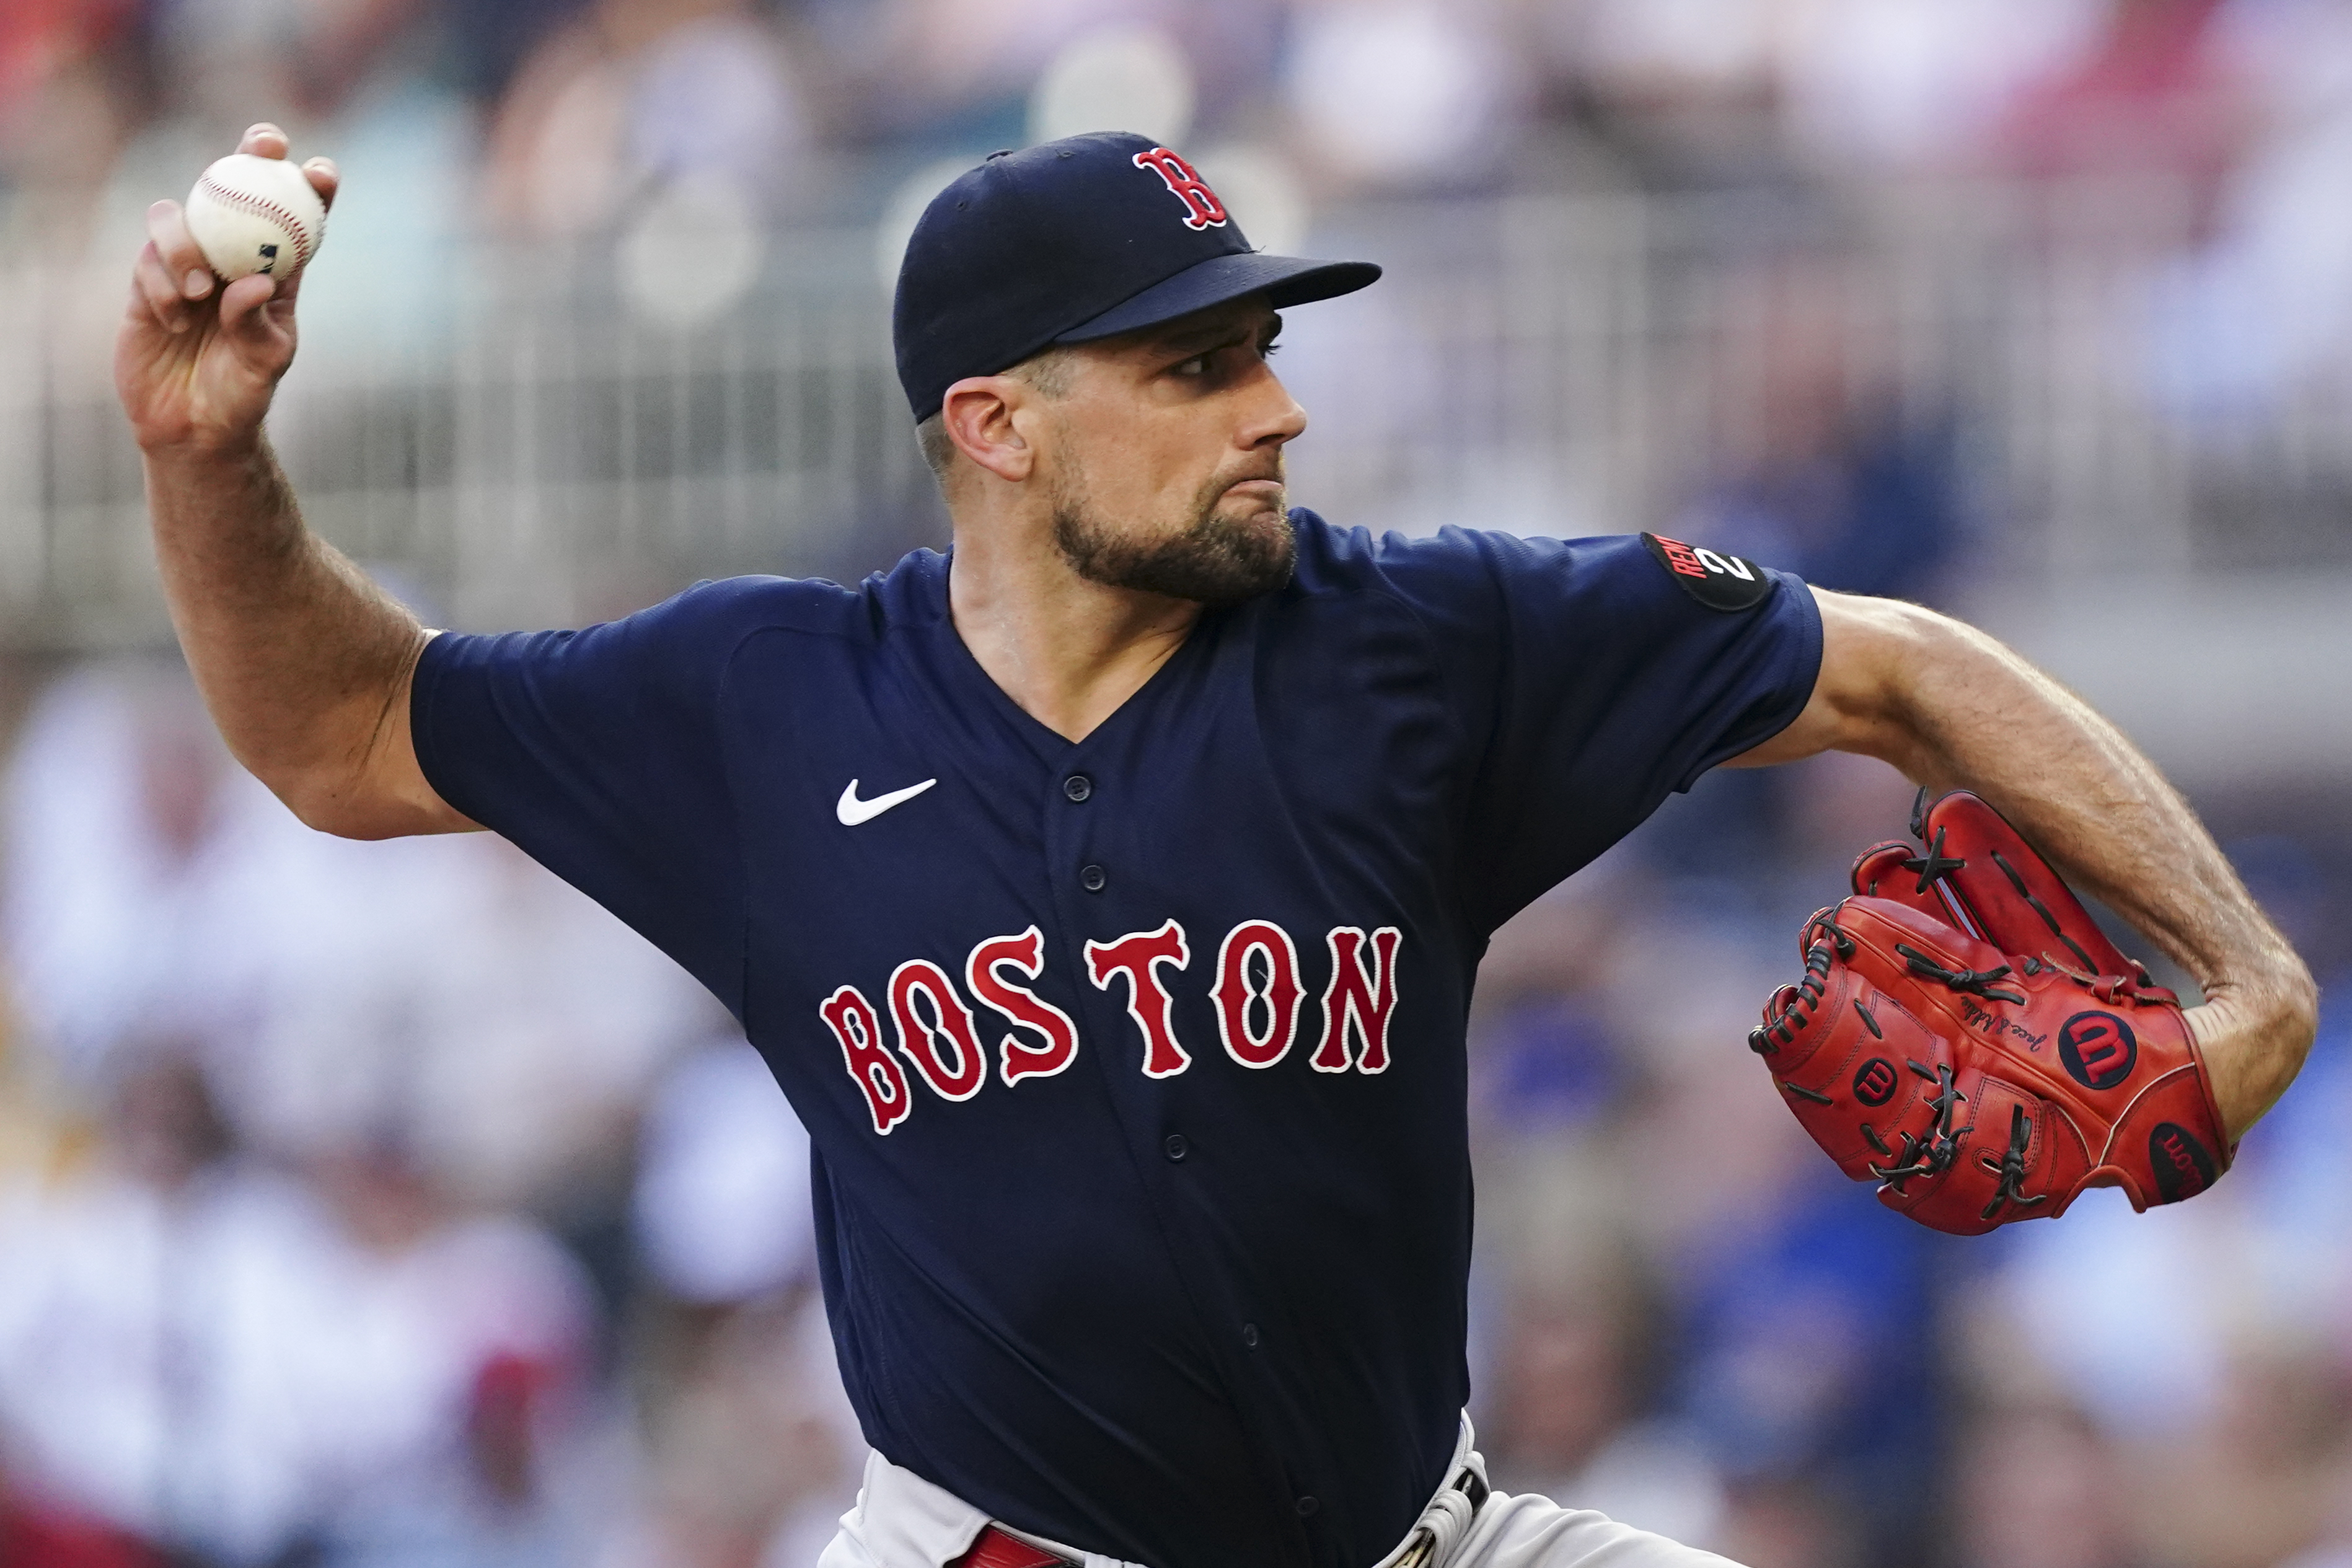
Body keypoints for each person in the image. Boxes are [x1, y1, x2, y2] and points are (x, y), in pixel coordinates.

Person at [115, 124, 2315, 1568]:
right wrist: (207, 460)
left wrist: (2246, 978)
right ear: (995, 426)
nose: (1271, 404)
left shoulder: (1421, 637)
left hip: (1419, 1536)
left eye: (1261, 347)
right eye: (1191, 363)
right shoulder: (760, 703)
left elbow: (1904, 665)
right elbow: (336, 728)